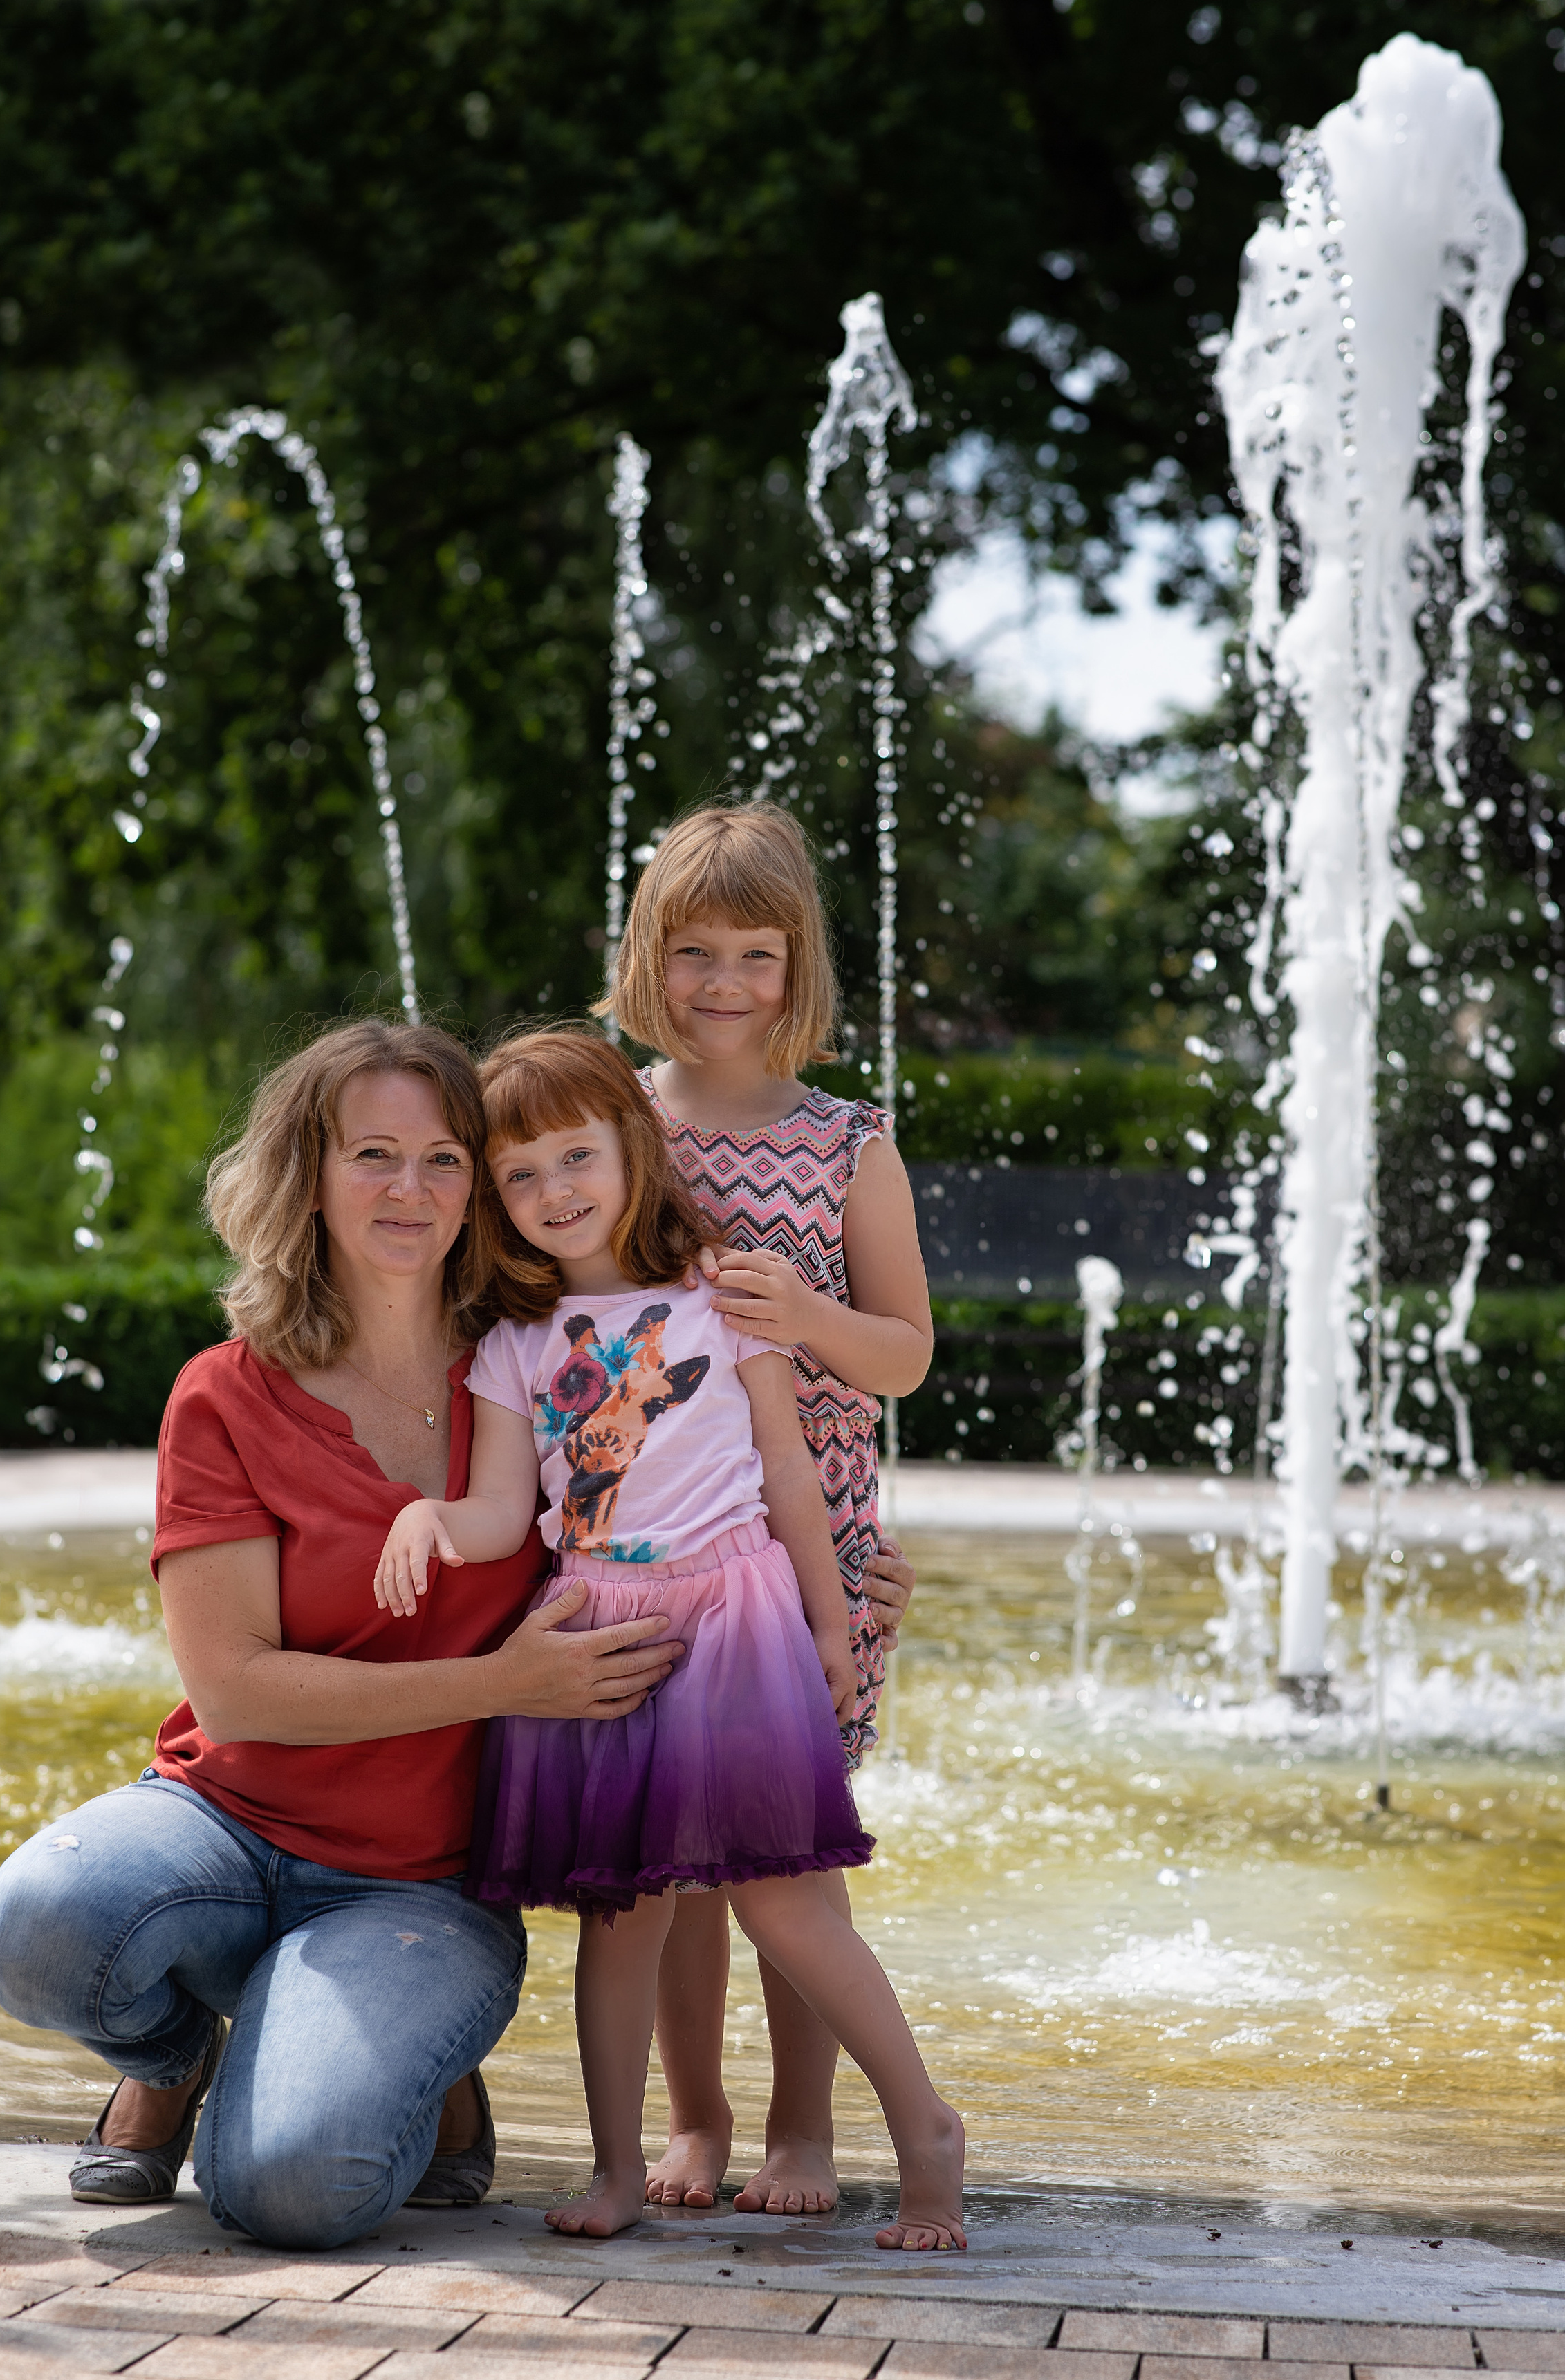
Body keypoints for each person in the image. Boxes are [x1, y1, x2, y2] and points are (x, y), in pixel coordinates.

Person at [0, 1019, 683, 2252]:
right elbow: (237, 1692)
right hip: (222, 1826)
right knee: (36, 1920)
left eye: (446, 1158)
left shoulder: (548, 1372)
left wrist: (843, 1568)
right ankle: (181, 2048)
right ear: (308, 1174)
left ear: (478, 1189)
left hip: (422, 1885)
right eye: (373, 1155)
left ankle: (401, 2060)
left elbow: (706, 1490)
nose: (411, 1189)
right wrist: (501, 1682)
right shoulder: (225, 1393)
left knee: (291, 2192)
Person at [374, 1028, 965, 2251]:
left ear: (631, 1151)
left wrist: (830, 1625)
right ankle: (619, 2162)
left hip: (739, 1609)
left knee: (787, 1906)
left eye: (577, 1158)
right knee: (621, 1914)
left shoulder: (720, 1297)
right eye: (521, 1174)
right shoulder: (514, 1344)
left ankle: (924, 2130)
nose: (555, 1192)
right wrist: (432, 1517)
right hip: (601, 1626)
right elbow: (500, 1512)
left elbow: (791, 1476)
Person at [604, 801, 935, 2216]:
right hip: (656, 1539)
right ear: (645, 956)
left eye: (755, 951)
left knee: (785, 1847)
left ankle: (808, 2122)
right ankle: (698, 2116)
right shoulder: (610, 1121)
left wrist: (805, 1314)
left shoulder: (845, 1141)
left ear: (797, 966)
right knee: (675, 1862)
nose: (724, 982)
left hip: (814, 1545)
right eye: (693, 951)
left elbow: (907, 1350)